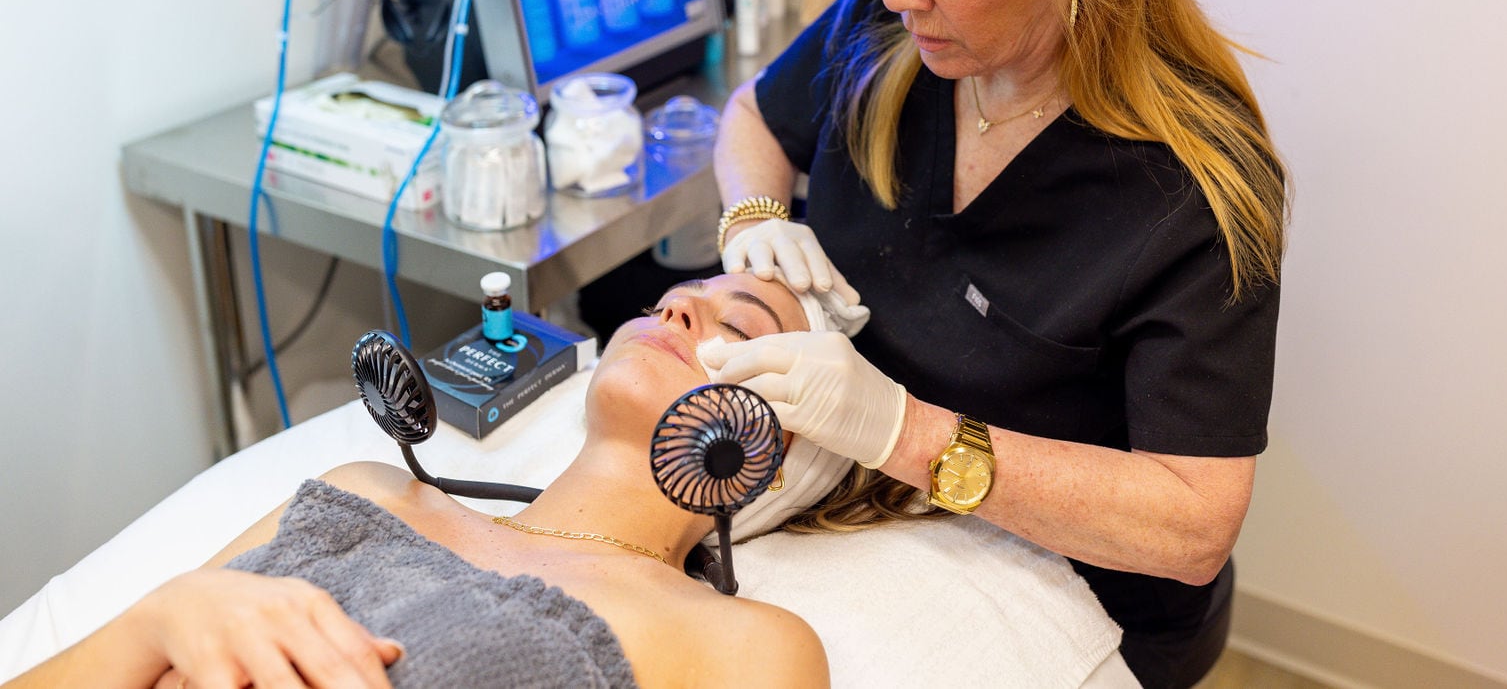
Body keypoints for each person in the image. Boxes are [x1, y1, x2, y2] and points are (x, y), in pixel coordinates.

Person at [706, 0, 1287, 689]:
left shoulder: (1193, 182)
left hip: (1084, 611)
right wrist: (753, 215)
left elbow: (1193, 522)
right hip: (870, 541)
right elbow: (755, 115)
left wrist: (904, 431)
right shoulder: (887, 27)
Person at [3, 273, 919, 689]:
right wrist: (161, 615)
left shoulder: (744, 645)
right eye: (674, 296)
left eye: (737, 324)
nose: (678, 302)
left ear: (778, 457)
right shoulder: (369, 488)